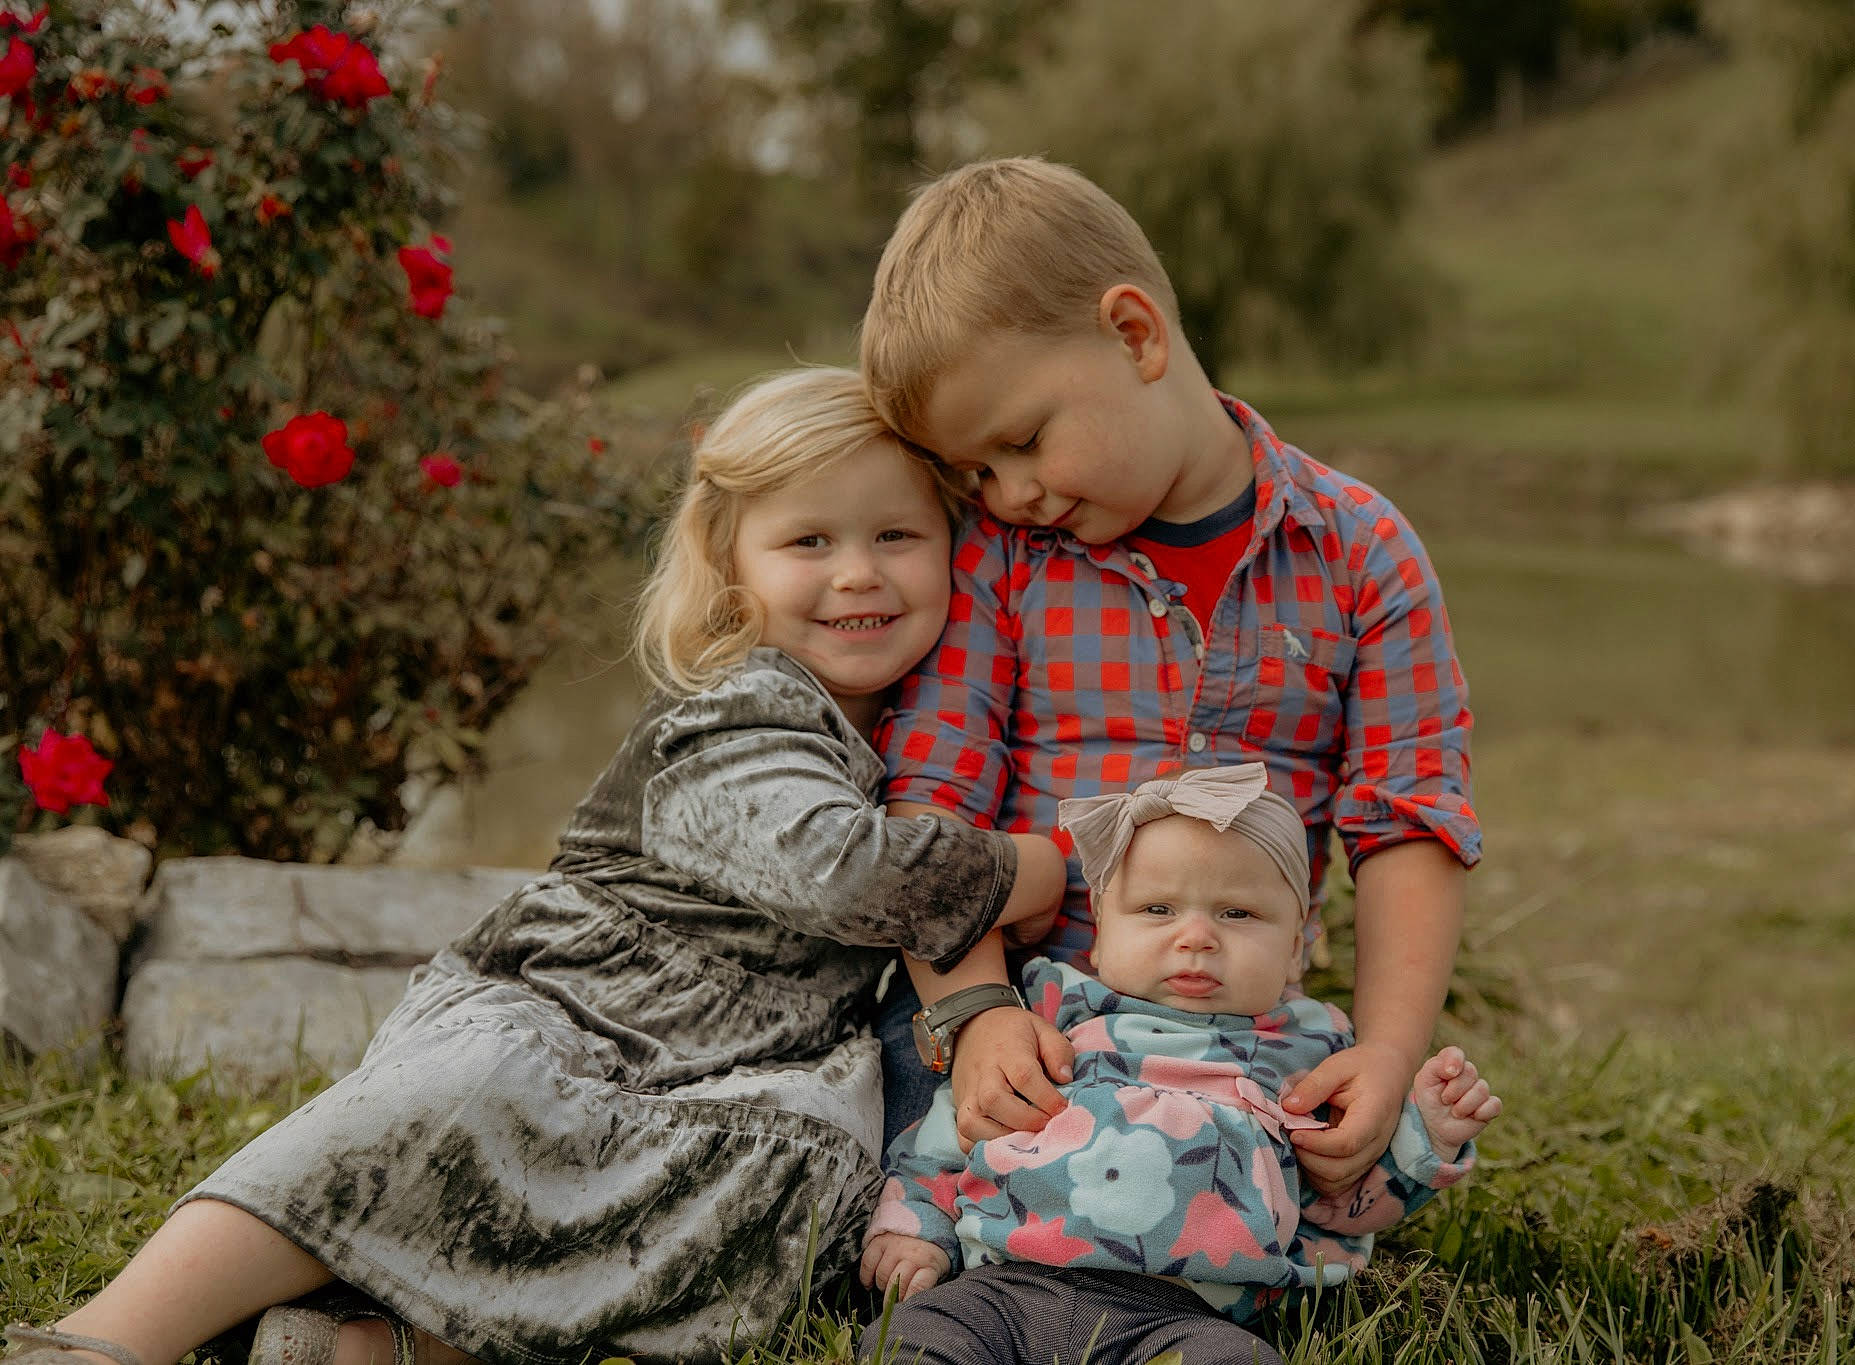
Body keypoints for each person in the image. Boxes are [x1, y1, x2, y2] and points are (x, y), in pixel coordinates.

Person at [2, 368, 1071, 1365]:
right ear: (730, 565)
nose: (857, 574)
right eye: (807, 542)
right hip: (575, 1009)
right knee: (462, 1101)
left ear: (955, 550)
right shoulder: (739, 706)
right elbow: (845, 876)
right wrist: (1040, 866)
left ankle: (371, 1344)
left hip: (737, 1068)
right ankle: (111, 1337)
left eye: (897, 535)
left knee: (805, 1175)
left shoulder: (931, 733)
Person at [860, 157, 1483, 1207]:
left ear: (1135, 334)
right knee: (898, 1198)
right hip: (1020, 1023)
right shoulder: (999, 560)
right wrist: (971, 1017)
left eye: (1020, 442)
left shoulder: (1358, 551)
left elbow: (1406, 819)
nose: (1008, 493)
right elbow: (936, 801)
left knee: (1314, 1196)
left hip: (1241, 1035)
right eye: (974, 472)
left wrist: (1382, 1053)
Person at [856, 764, 1502, 1365]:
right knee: (917, 1337)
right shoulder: (1051, 1018)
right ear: (1103, 930)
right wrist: (916, 1227)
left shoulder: (1308, 1061)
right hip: (1004, 1284)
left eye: (1238, 913)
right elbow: (953, 1127)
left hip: (1185, 1314)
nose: (1196, 936)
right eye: (1158, 909)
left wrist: (1424, 1136)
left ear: (1296, 947)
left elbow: (1343, 1195)